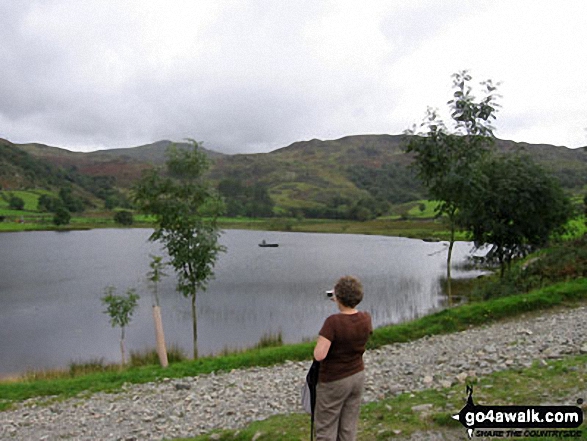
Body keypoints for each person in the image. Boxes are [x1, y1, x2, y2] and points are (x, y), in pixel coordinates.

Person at [313, 275, 373, 441]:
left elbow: (319, 355)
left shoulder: (332, 322)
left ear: (337, 297)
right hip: (357, 376)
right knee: (348, 426)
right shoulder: (366, 318)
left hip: (334, 380)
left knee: (326, 428)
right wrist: (342, 301)